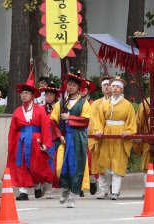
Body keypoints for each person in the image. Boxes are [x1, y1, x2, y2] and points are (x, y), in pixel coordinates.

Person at [7, 72, 55, 200]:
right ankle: (23, 192)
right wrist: (11, 145)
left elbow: (45, 127)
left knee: (36, 166)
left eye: (26, 93)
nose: (23, 95)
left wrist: (45, 144)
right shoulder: (17, 111)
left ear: (32, 96)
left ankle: (37, 185)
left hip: (36, 140)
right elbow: (12, 129)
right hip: (21, 141)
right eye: (22, 93)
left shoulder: (40, 110)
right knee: (21, 164)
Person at [50, 72, 91, 208]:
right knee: (61, 165)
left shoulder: (84, 103)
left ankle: (73, 195)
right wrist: (59, 135)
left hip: (78, 137)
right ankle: (65, 188)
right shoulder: (61, 103)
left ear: (79, 88)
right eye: (69, 84)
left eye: (74, 85)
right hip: (64, 137)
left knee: (76, 166)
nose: (71, 87)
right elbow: (53, 121)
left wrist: (70, 118)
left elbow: (86, 121)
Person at [93, 76, 137, 200]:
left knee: (117, 165)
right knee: (104, 163)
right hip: (107, 134)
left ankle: (116, 191)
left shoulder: (127, 105)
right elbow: (99, 120)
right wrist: (99, 130)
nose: (115, 89)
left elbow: (131, 121)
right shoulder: (104, 104)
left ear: (122, 89)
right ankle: (103, 190)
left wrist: (128, 132)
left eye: (118, 87)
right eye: (113, 86)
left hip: (120, 134)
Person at [39, 83, 60, 199]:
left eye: (51, 94)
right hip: (42, 137)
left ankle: (50, 189)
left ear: (55, 96)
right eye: (47, 94)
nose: (48, 96)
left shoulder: (59, 108)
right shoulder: (40, 108)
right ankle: (41, 185)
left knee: (51, 163)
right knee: (41, 162)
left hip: (53, 138)